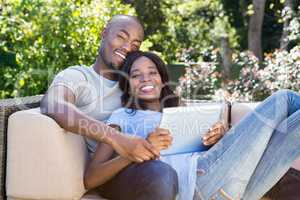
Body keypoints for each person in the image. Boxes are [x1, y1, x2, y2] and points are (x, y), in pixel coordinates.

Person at [85, 50, 300, 200]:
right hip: (197, 185)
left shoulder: (183, 110)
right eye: (136, 75)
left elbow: (222, 154)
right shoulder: (121, 117)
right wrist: (137, 152)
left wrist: (220, 138)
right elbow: (91, 177)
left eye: (152, 72)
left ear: (162, 78)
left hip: (238, 186)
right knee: (284, 99)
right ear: (127, 85)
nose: (146, 79)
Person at [40, 15, 178, 200]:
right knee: (160, 174)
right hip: (115, 173)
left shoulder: (136, 84)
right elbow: (54, 104)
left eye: (135, 45)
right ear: (104, 33)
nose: (127, 47)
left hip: (153, 164)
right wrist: (117, 139)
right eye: (121, 37)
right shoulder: (79, 76)